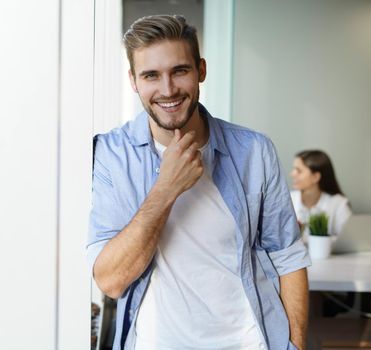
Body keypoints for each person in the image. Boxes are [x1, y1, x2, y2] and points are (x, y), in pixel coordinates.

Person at [87, 15, 311, 350]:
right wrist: (166, 188)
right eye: (151, 75)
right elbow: (110, 281)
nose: (168, 90)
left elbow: (288, 258)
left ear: (201, 71)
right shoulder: (111, 154)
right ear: (134, 80)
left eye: (180, 71)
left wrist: (295, 345)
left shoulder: (254, 151)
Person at [290, 150, 352, 240]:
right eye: (294, 169)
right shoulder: (288, 199)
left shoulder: (339, 204)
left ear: (315, 177)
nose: (292, 174)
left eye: (299, 171)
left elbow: (348, 240)